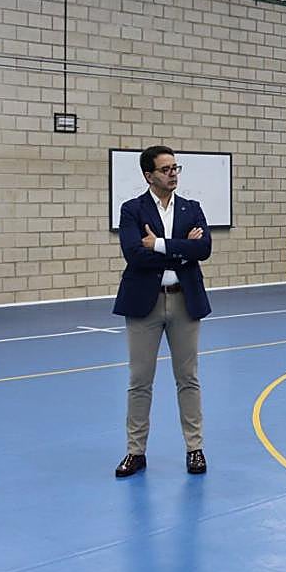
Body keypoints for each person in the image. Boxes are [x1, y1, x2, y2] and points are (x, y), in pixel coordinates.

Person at [112, 145, 212, 478]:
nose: (173, 173)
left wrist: (158, 244)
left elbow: (204, 248)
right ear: (149, 175)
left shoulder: (191, 208)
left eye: (175, 167)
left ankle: (195, 448)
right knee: (140, 381)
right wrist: (183, 250)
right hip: (145, 302)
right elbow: (134, 255)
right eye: (166, 169)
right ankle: (135, 452)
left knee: (188, 378)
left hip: (185, 300)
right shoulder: (132, 210)